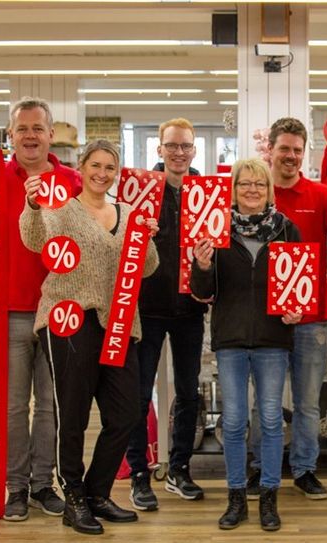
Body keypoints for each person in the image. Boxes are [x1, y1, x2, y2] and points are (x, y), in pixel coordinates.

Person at [20, 139, 159, 535]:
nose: (102, 173)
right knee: (74, 414)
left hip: (118, 325)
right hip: (69, 319)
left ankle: (98, 492)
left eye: (110, 167)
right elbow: (34, 240)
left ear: (117, 173)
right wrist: (31, 205)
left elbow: (147, 267)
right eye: (95, 165)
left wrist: (147, 235)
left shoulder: (129, 212)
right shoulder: (61, 206)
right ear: (81, 167)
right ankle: (75, 497)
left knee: (125, 412)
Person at [247, 116, 327, 500]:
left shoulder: (321, 195)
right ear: (272, 151)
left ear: (304, 153)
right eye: (284, 149)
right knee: (264, 402)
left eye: (298, 150)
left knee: (308, 402)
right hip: (264, 319)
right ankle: (261, 468)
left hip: (310, 319)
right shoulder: (256, 196)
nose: (291, 156)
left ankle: (305, 469)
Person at [190, 157, 303, 531]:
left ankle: (269, 496)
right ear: (233, 189)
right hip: (231, 339)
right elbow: (203, 293)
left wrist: (296, 312)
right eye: (244, 184)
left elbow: (299, 289)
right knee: (235, 421)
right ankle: (236, 497)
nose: (252, 190)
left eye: (259, 184)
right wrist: (202, 266)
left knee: (271, 420)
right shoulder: (215, 229)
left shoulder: (287, 229)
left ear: (270, 190)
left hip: (274, 339)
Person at [3, 97, 81, 522]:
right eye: (22, 129)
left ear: (51, 134)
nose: (30, 136)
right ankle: (15, 487)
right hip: (12, 308)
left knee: (52, 406)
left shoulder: (73, 181)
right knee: (15, 407)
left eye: (38, 128)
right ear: (11, 135)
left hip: (59, 310)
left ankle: (42, 484)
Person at [127, 117, 207, 511]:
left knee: (189, 393)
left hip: (191, 308)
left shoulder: (205, 195)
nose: (178, 153)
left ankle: (179, 469)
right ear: (158, 149)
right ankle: (140, 475)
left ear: (194, 151)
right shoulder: (139, 191)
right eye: (171, 146)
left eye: (185, 146)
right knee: (138, 395)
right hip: (146, 308)